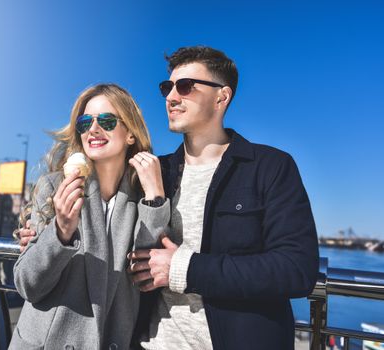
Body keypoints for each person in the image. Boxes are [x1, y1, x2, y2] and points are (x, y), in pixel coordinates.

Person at [127, 46, 319, 349]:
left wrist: (185, 269)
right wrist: (46, 226)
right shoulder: (155, 170)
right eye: (167, 87)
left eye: (185, 86)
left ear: (222, 96)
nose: (171, 97)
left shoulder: (271, 167)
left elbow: (296, 270)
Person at [9, 84, 170, 349]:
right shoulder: (54, 187)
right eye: (85, 122)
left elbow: (144, 277)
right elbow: (28, 285)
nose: (93, 129)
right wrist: (60, 232)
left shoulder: (145, 200)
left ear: (130, 133)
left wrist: (154, 197)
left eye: (106, 121)